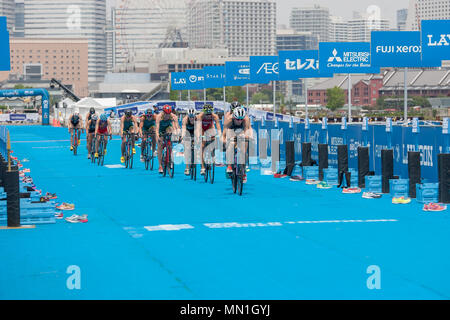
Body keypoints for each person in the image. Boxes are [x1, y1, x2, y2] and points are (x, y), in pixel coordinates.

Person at [222, 106, 253, 183]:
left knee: (244, 147)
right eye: (237, 119)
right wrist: (224, 140)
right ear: (234, 117)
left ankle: (243, 170)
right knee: (231, 144)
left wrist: (249, 136)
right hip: (231, 131)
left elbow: (248, 129)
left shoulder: (246, 120)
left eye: (241, 119)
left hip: (241, 131)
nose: (239, 121)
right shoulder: (229, 120)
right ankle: (229, 165)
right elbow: (224, 133)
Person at [196, 104, 221, 175]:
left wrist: (219, 134)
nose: (208, 116)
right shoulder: (200, 116)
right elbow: (198, 127)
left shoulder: (215, 116)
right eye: (207, 114)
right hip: (202, 129)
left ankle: (213, 156)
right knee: (202, 146)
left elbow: (218, 126)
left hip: (210, 128)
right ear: (204, 112)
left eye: (209, 114)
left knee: (213, 139)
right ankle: (203, 167)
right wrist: (199, 136)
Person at [155, 105, 180, 174]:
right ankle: (160, 165)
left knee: (171, 132)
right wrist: (158, 138)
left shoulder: (173, 116)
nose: (167, 116)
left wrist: (178, 135)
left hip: (168, 128)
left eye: (168, 114)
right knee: (160, 146)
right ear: (163, 112)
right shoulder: (159, 116)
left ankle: (170, 159)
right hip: (160, 129)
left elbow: (177, 126)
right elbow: (157, 129)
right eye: (166, 114)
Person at [181, 108, 197, 175]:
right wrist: (182, 137)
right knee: (187, 149)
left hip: (195, 132)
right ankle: (187, 167)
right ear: (188, 116)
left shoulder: (198, 119)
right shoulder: (185, 119)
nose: (191, 119)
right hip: (187, 133)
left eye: (193, 117)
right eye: (190, 117)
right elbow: (184, 129)